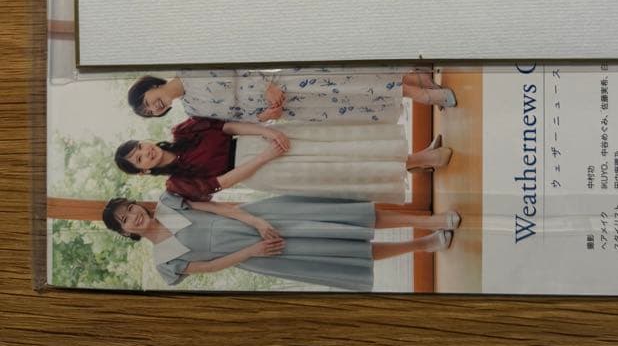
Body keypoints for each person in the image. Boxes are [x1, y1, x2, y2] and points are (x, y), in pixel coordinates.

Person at [103, 192, 457, 291]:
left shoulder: (169, 203)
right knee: (340, 251)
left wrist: (256, 221)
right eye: (125, 220)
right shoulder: (164, 264)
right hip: (264, 253)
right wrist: (254, 250)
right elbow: (209, 267)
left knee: (345, 219)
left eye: (130, 208)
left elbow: (219, 207)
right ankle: (424, 244)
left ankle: (430, 221)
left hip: (264, 219)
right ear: (126, 233)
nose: (133, 216)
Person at [114, 115, 451, 204]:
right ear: (143, 171)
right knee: (338, 169)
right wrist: (265, 156)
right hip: (260, 170)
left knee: (340, 145)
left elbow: (226, 127)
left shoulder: (182, 130)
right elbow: (221, 183)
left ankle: (417, 159)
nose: (146, 153)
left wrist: (265, 131)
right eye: (139, 159)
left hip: (260, 140)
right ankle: (420, 160)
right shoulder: (177, 184)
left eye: (140, 147)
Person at [127, 69, 456, 123]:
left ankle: (424, 95)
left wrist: (266, 86)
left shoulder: (189, 67)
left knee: (349, 84)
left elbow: (234, 62)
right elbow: (236, 117)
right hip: (284, 109)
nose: (153, 107)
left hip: (280, 80)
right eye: (149, 113)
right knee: (349, 102)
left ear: (149, 86)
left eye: (146, 102)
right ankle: (414, 81)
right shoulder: (192, 109)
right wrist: (265, 117)